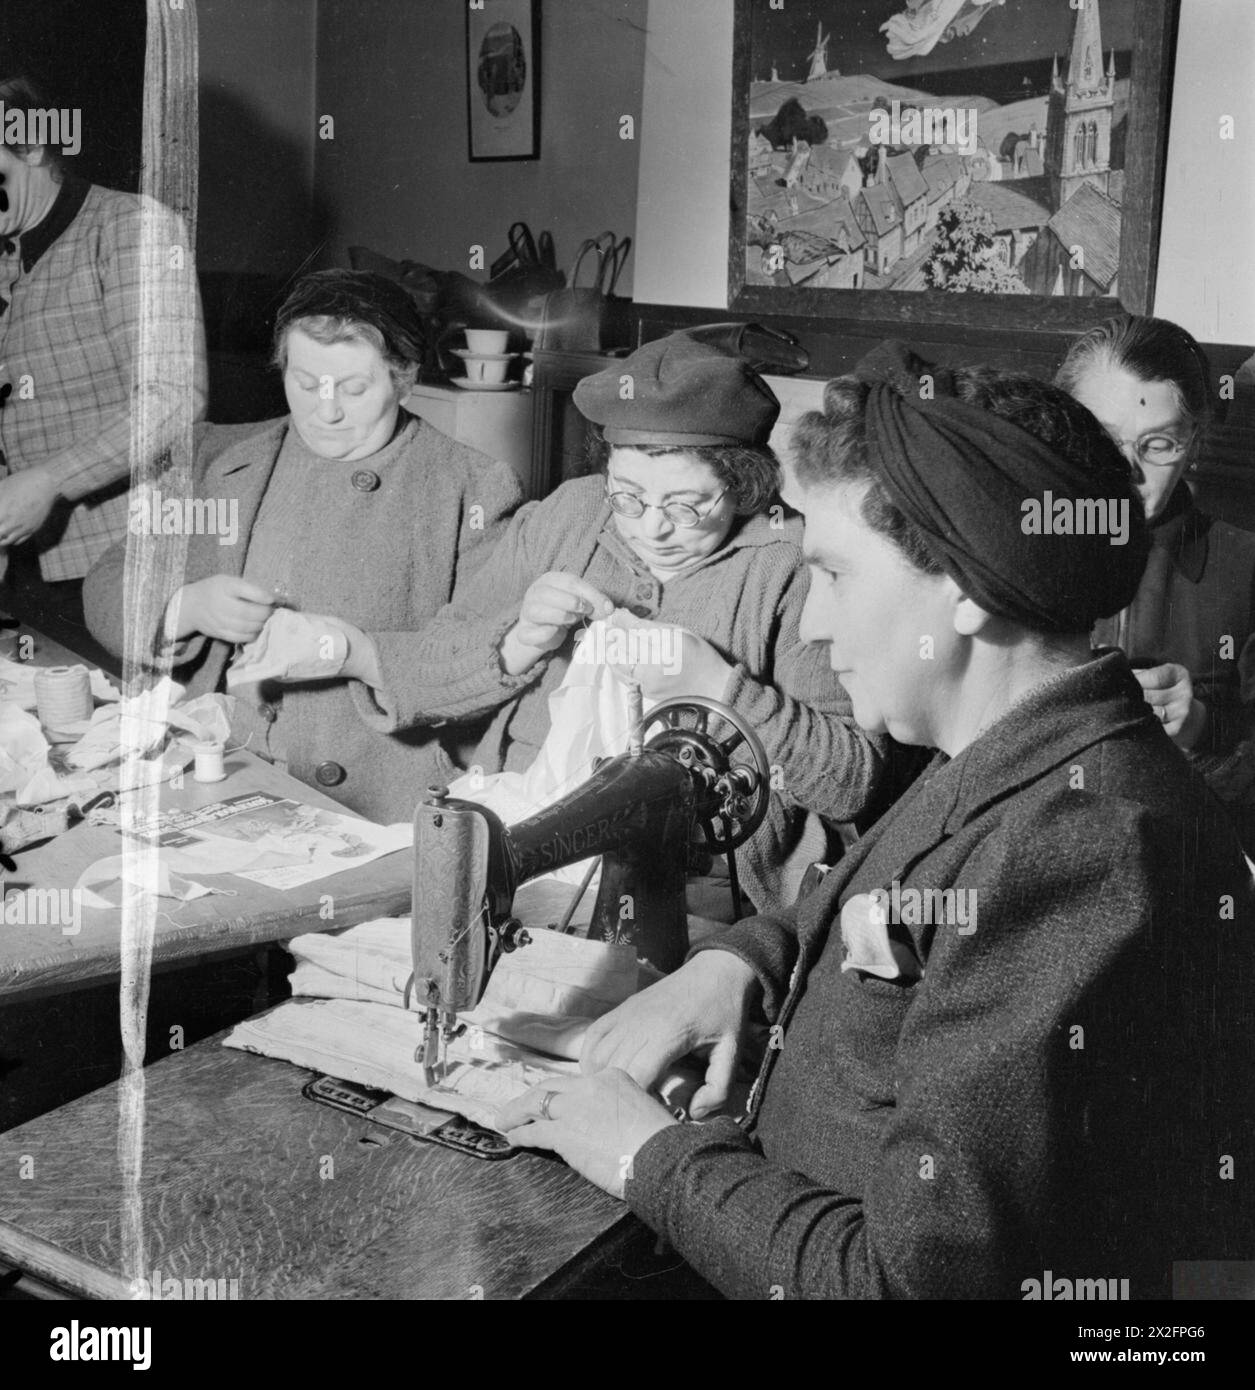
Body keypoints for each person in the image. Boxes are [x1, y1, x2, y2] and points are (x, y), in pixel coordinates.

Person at [496, 342, 1255, 1300]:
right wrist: (741, 961)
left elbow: (908, 1287)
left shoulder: (1083, 849)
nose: (811, 624)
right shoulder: (1003, 754)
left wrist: (647, 1156)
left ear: (967, 593)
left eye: (834, 574)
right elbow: (878, 908)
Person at [371, 331, 896, 911]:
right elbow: (416, 679)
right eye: (628, 497)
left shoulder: (794, 564)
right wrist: (519, 642)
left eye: (686, 506)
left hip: (698, 884)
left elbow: (851, 779)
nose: (651, 529)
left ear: (742, 484)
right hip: (516, 830)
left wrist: (724, 689)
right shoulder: (571, 514)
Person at [83, 269, 523, 823]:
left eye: (355, 388)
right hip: (209, 775)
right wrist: (185, 606)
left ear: (405, 378)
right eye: (306, 382)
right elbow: (108, 579)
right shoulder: (217, 456)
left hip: (375, 797)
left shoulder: (470, 485)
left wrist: (355, 651)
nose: (327, 409)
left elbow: (492, 657)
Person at [0, 74, 206, 647]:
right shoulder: (9, 251)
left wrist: (49, 481)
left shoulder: (131, 229)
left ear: (34, 147)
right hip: (22, 578)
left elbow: (175, 397)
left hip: (122, 564)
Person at [1056, 313, 1255, 848]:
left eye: (1159, 443)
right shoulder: (1020, 547)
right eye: (1103, 438)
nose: (1127, 471)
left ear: (1194, 440)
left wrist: (1198, 729)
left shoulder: (1247, 567)